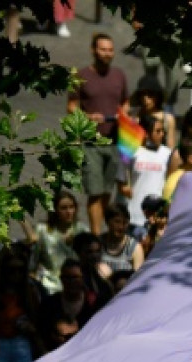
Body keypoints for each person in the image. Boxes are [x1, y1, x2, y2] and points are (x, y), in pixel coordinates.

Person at [67, 34, 129, 234]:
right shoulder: (80, 75)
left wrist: (124, 115)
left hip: (113, 140)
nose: (107, 54)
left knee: (106, 191)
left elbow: (125, 102)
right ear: (93, 50)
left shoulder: (119, 75)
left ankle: (102, 229)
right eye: (103, 49)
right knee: (94, 191)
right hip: (91, 142)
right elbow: (71, 107)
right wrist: (87, 117)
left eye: (110, 50)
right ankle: (95, 235)